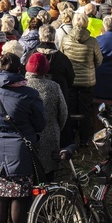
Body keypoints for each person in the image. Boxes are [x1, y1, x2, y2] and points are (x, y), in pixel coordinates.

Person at [0, 53, 46, 223]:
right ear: (19, 69)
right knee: (20, 197)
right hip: (20, 152)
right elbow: (40, 124)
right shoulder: (29, 94)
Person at [61, 12, 103, 145]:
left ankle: (71, 136)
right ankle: (85, 139)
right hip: (87, 81)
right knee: (86, 110)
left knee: (71, 107)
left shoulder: (66, 39)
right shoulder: (92, 41)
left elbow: (62, 58)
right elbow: (99, 60)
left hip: (71, 80)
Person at [24, 53, 67, 181]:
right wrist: (57, 128)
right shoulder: (54, 86)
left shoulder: (21, 86)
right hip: (50, 135)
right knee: (48, 176)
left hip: (27, 137)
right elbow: (63, 113)